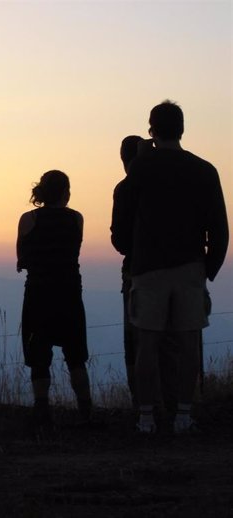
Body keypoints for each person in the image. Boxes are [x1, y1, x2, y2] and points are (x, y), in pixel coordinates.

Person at [112, 100, 229, 434]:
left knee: (147, 342)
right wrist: (209, 266)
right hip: (191, 266)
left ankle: (147, 416)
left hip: (147, 268)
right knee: (188, 341)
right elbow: (218, 226)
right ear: (182, 129)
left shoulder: (139, 171)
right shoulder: (204, 170)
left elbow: (121, 223)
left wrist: (132, 254)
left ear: (151, 130)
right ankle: (183, 414)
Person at [17, 170, 92, 429]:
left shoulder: (28, 219)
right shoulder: (76, 219)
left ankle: (42, 412)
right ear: (66, 192)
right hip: (69, 292)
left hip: (38, 293)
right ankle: (86, 411)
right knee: (76, 356)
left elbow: (22, 258)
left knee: (38, 356)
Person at [111, 135, 144, 409]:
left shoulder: (125, 188)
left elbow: (119, 240)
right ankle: (180, 404)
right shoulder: (172, 183)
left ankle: (140, 403)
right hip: (186, 269)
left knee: (135, 340)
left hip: (136, 272)